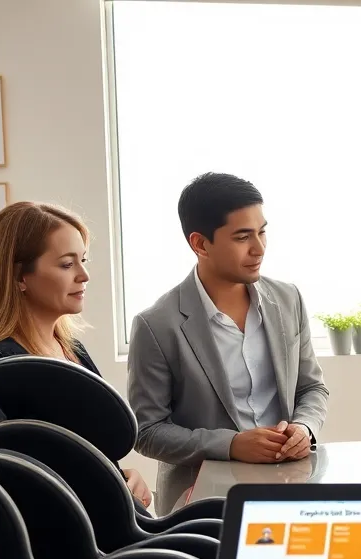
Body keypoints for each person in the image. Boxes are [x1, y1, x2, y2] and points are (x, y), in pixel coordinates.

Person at [127, 172, 329, 511]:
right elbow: (147, 432)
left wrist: (304, 429)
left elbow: (312, 388)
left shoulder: (288, 299)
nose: (259, 248)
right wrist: (231, 445)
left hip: (291, 486)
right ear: (200, 244)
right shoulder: (156, 325)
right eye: (242, 237)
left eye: (262, 232)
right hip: (202, 501)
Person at [0, 200, 152, 507]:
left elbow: (90, 452)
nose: (84, 275)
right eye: (67, 264)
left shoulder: (72, 350)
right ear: (19, 277)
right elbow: (19, 483)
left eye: (83, 260)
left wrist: (123, 477)